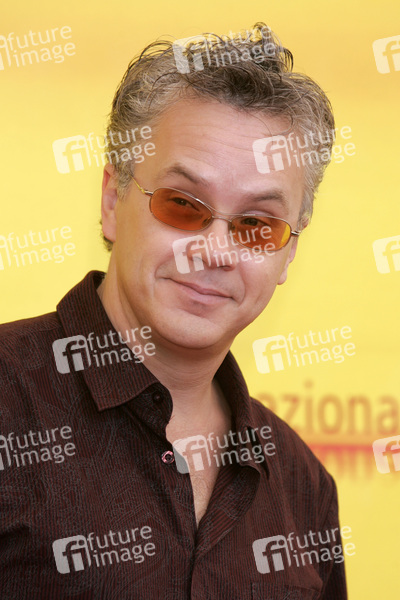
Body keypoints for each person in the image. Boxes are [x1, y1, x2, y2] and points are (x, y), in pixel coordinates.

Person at [0, 23, 348, 599]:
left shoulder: (302, 485)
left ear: (288, 253)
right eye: (184, 205)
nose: (214, 251)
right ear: (112, 200)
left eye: (256, 225)